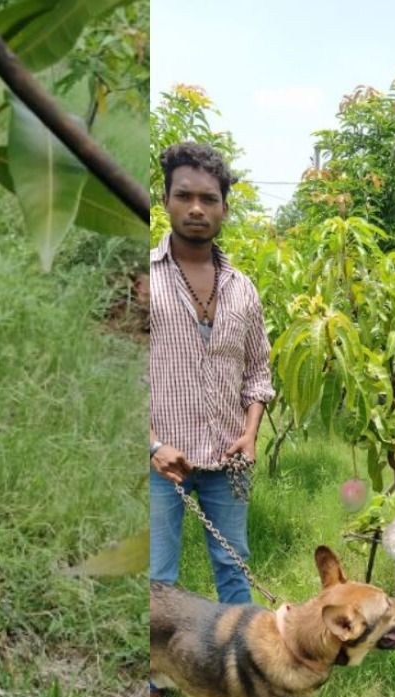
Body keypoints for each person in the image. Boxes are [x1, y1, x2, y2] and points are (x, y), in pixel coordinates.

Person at [149, 142, 274, 605]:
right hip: (160, 462)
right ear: (165, 202)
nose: (196, 208)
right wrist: (152, 447)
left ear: (224, 208)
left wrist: (251, 433)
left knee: (234, 566)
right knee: (157, 577)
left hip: (227, 459)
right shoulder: (143, 278)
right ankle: (154, 677)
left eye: (209, 199)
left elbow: (258, 371)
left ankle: (239, 668)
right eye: (184, 196)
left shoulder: (243, 289)